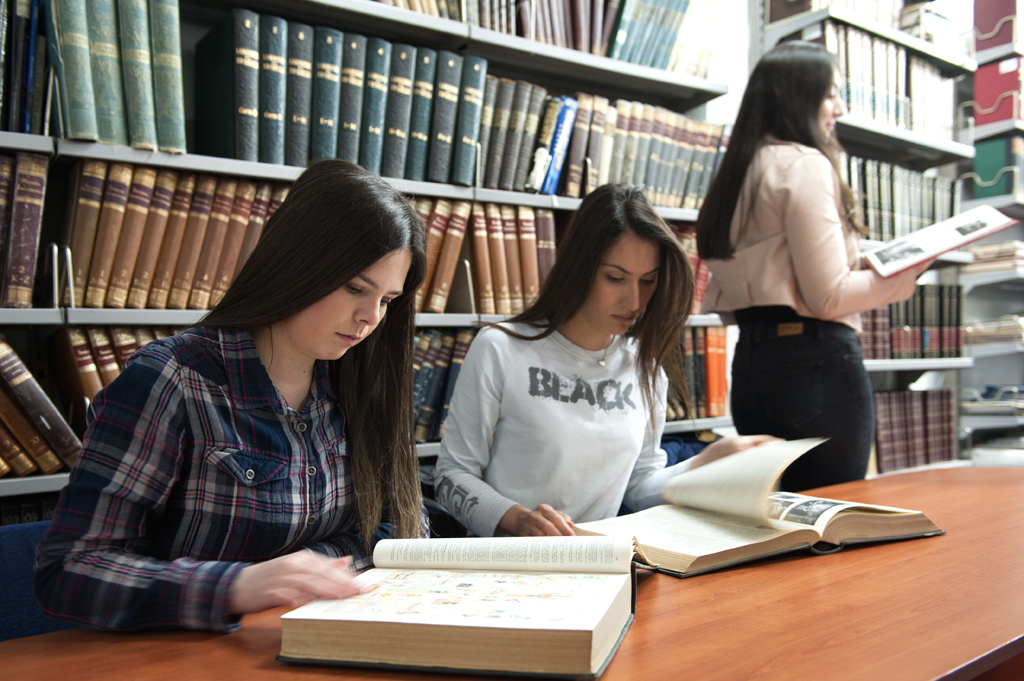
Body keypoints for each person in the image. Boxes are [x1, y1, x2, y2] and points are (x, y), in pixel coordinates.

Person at [33, 160, 427, 632]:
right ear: (297, 264)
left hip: (313, 637)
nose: (371, 317)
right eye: (355, 288)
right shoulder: (173, 379)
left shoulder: (361, 383)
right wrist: (237, 586)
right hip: (183, 652)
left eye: (387, 300)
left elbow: (400, 530)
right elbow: (69, 569)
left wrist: (309, 568)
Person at [434, 184, 777, 538]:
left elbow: (639, 486)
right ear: (578, 268)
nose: (634, 301)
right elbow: (450, 476)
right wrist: (517, 519)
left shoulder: (645, 369)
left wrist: (707, 462)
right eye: (615, 278)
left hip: (599, 558)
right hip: (506, 560)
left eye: (648, 281)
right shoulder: (500, 348)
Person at [695, 41, 933, 492]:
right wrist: (904, 276)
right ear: (797, 97)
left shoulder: (737, 172)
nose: (839, 109)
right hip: (816, 364)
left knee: (774, 515)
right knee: (831, 513)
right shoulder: (803, 165)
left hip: (752, 365)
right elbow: (829, 296)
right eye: (831, 95)